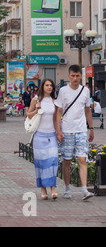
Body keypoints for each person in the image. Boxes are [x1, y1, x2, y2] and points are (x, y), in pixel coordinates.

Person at [55, 64, 94, 201]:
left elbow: (87, 110)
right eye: (73, 76)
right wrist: (58, 131)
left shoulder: (85, 91)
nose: (75, 78)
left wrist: (91, 128)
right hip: (67, 130)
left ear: (81, 76)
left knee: (82, 159)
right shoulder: (63, 91)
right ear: (69, 76)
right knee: (67, 160)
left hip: (82, 129)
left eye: (78, 76)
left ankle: (84, 189)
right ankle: (67, 188)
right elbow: (58, 111)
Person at [27, 78, 59, 200]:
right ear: (42, 87)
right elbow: (29, 115)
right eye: (47, 85)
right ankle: (43, 189)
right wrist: (36, 109)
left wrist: (59, 132)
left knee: (52, 162)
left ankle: (53, 188)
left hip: (51, 135)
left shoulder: (54, 101)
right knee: (41, 164)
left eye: (51, 85)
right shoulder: (36, 100)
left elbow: (56, 118)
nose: (49, 87)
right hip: (39, 136)